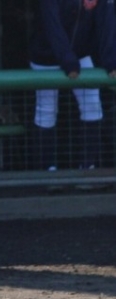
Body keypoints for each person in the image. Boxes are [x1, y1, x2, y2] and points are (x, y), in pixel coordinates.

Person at [29, 0, 116, 171]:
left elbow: (106, 21)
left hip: (80, 53)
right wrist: (67, 60)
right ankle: (47, 171)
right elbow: (51, 24)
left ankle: (87, 167)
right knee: (46, 109)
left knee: (92, 105)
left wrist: (111, 61)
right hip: (46, 55)